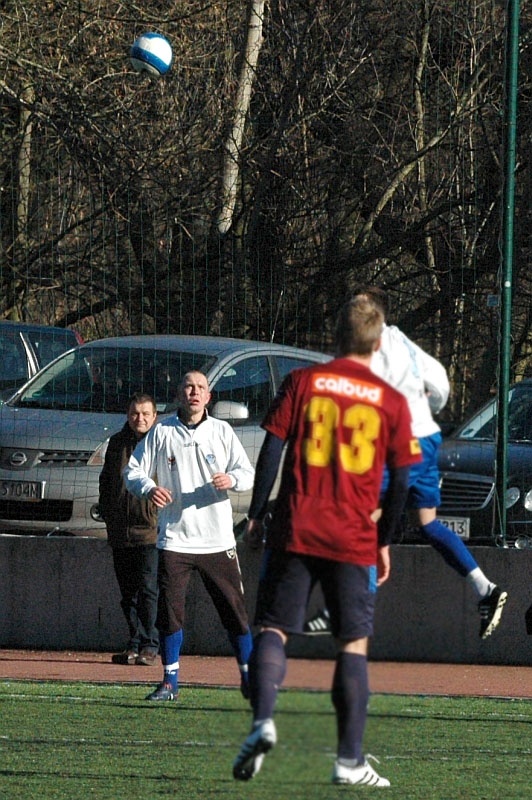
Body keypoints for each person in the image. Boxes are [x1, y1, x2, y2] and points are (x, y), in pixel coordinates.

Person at [232, 298, 422, 787]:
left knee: (273, 629)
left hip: (295, 524)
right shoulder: (392, 401)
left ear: (335, 336)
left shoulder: (302, 381)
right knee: (351, 645)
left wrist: (256, 516)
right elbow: (402, 481)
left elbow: (272, 448)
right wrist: (385, 539)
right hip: (354, 535)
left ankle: (263, 722)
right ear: (378, 343)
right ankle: (349, 761)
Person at [304, 286, 507, 640]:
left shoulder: (376, 346)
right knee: (426, 523)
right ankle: (484, 587)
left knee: (365, 516)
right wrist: (429, 408)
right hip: (427, 436)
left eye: (359, 305)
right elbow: (440, 382)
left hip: (399, 440)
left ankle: (348, 609)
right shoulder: (404, 342)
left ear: (373, 313)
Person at [123, 370, 255, 700]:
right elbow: (132, 472)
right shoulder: (161, 431)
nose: (194, 392)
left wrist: (232, 480)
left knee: (234, 612)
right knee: (169, 613)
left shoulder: (222, 431)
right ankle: (170, 682)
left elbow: (246, 472)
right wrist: (149, 487)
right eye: (188, 387)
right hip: (174, 540)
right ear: (180, 394)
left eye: (200, 388)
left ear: (209, 397)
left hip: (217, 540)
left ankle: (250, 677)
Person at [98, 392, 159, 666]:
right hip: (120, 532)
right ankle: (133, 642)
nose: (140, 419)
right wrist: (108, 513)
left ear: (154, 416)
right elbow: (106, 481)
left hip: (149, 531)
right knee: (128, 594)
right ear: (127, 415)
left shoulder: (161, 442)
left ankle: (150, 644)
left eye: (146, 414)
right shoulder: (117, 443)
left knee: (148, 590)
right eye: (135, 413)